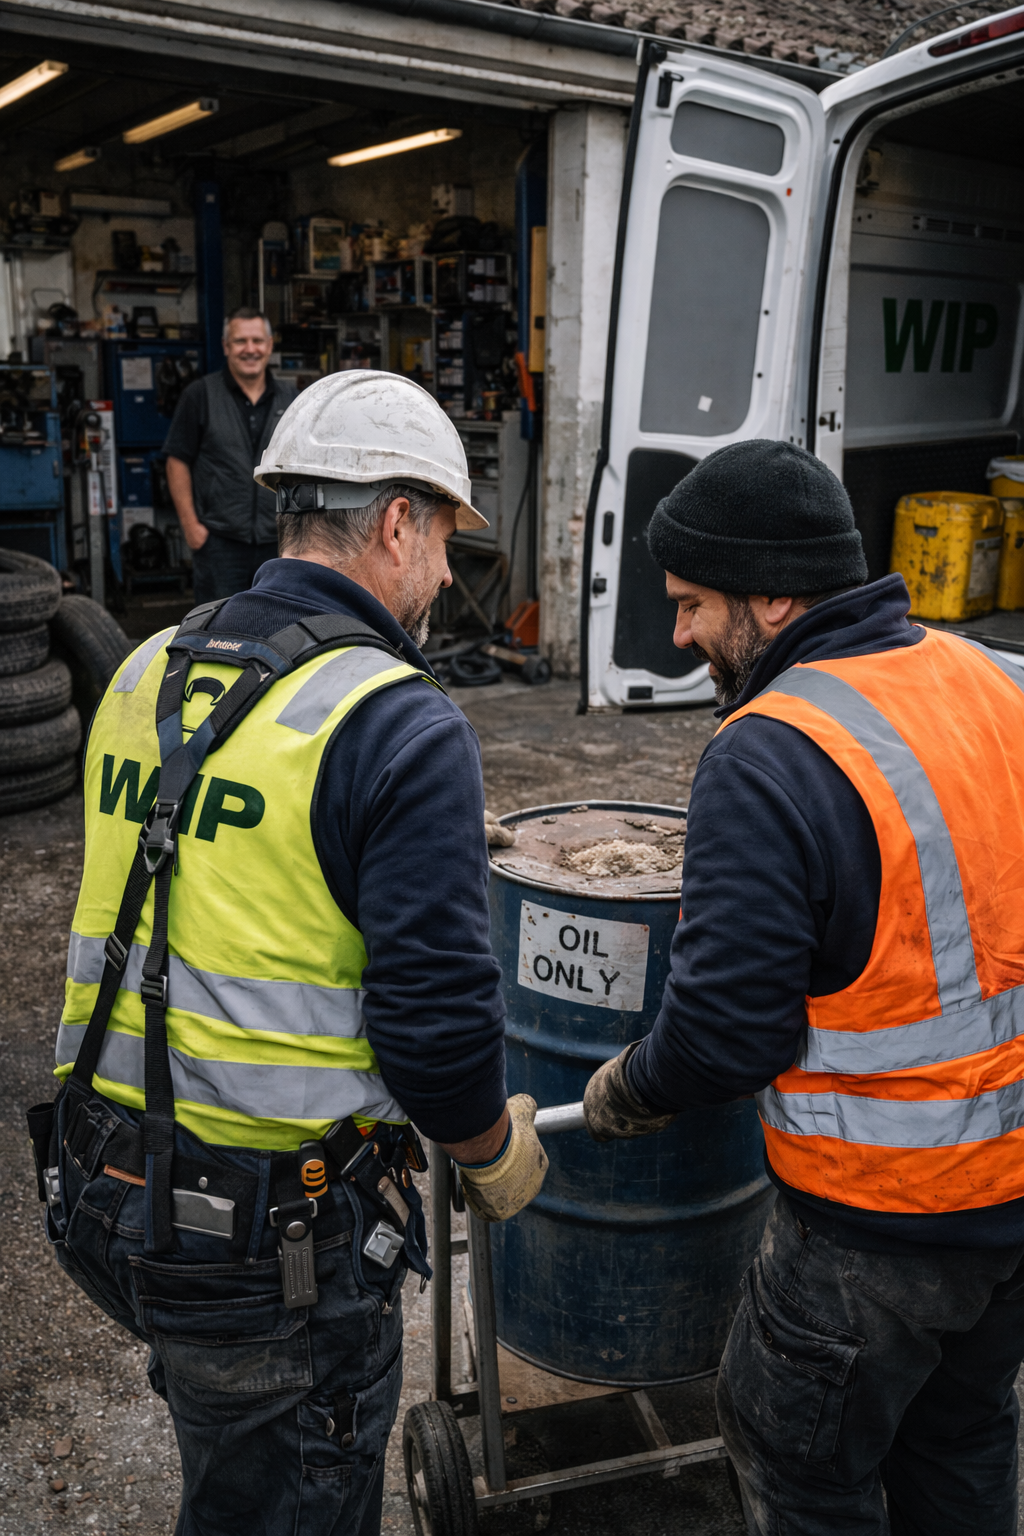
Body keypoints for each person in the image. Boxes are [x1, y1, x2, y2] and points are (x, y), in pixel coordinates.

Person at [39, 371, 547, 1535]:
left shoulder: (147, 668)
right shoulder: (398, 719)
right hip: (274, 1246)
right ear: (395, 522)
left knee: (230, 1476)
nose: (442, 573)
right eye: (441, 540)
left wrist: (377, 842)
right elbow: (434, 1023)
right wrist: (486, 1149)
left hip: (114, 1191)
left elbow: (201, 873)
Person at [582, 439, 1024, 1536]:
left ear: (772, 594)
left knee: (800, 1466)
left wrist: (630, 1089)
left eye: (691, 605)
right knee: (960, 1441)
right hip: (1011, 1206)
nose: (679, 636)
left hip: (879, 1222)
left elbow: (728, 1033)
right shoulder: (994, 678)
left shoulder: (769, 750)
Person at [163, 307, 297, 603]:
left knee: (279, 627)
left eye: (257, 341)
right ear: (226, 346)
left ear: (270, 345)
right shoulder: (200, 395)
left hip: (279, 544)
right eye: (240, 341)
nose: (250, 349)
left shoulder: (291, 399)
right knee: (219, 633)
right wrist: (191, 527)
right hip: (219, 544)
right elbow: (177, 462)